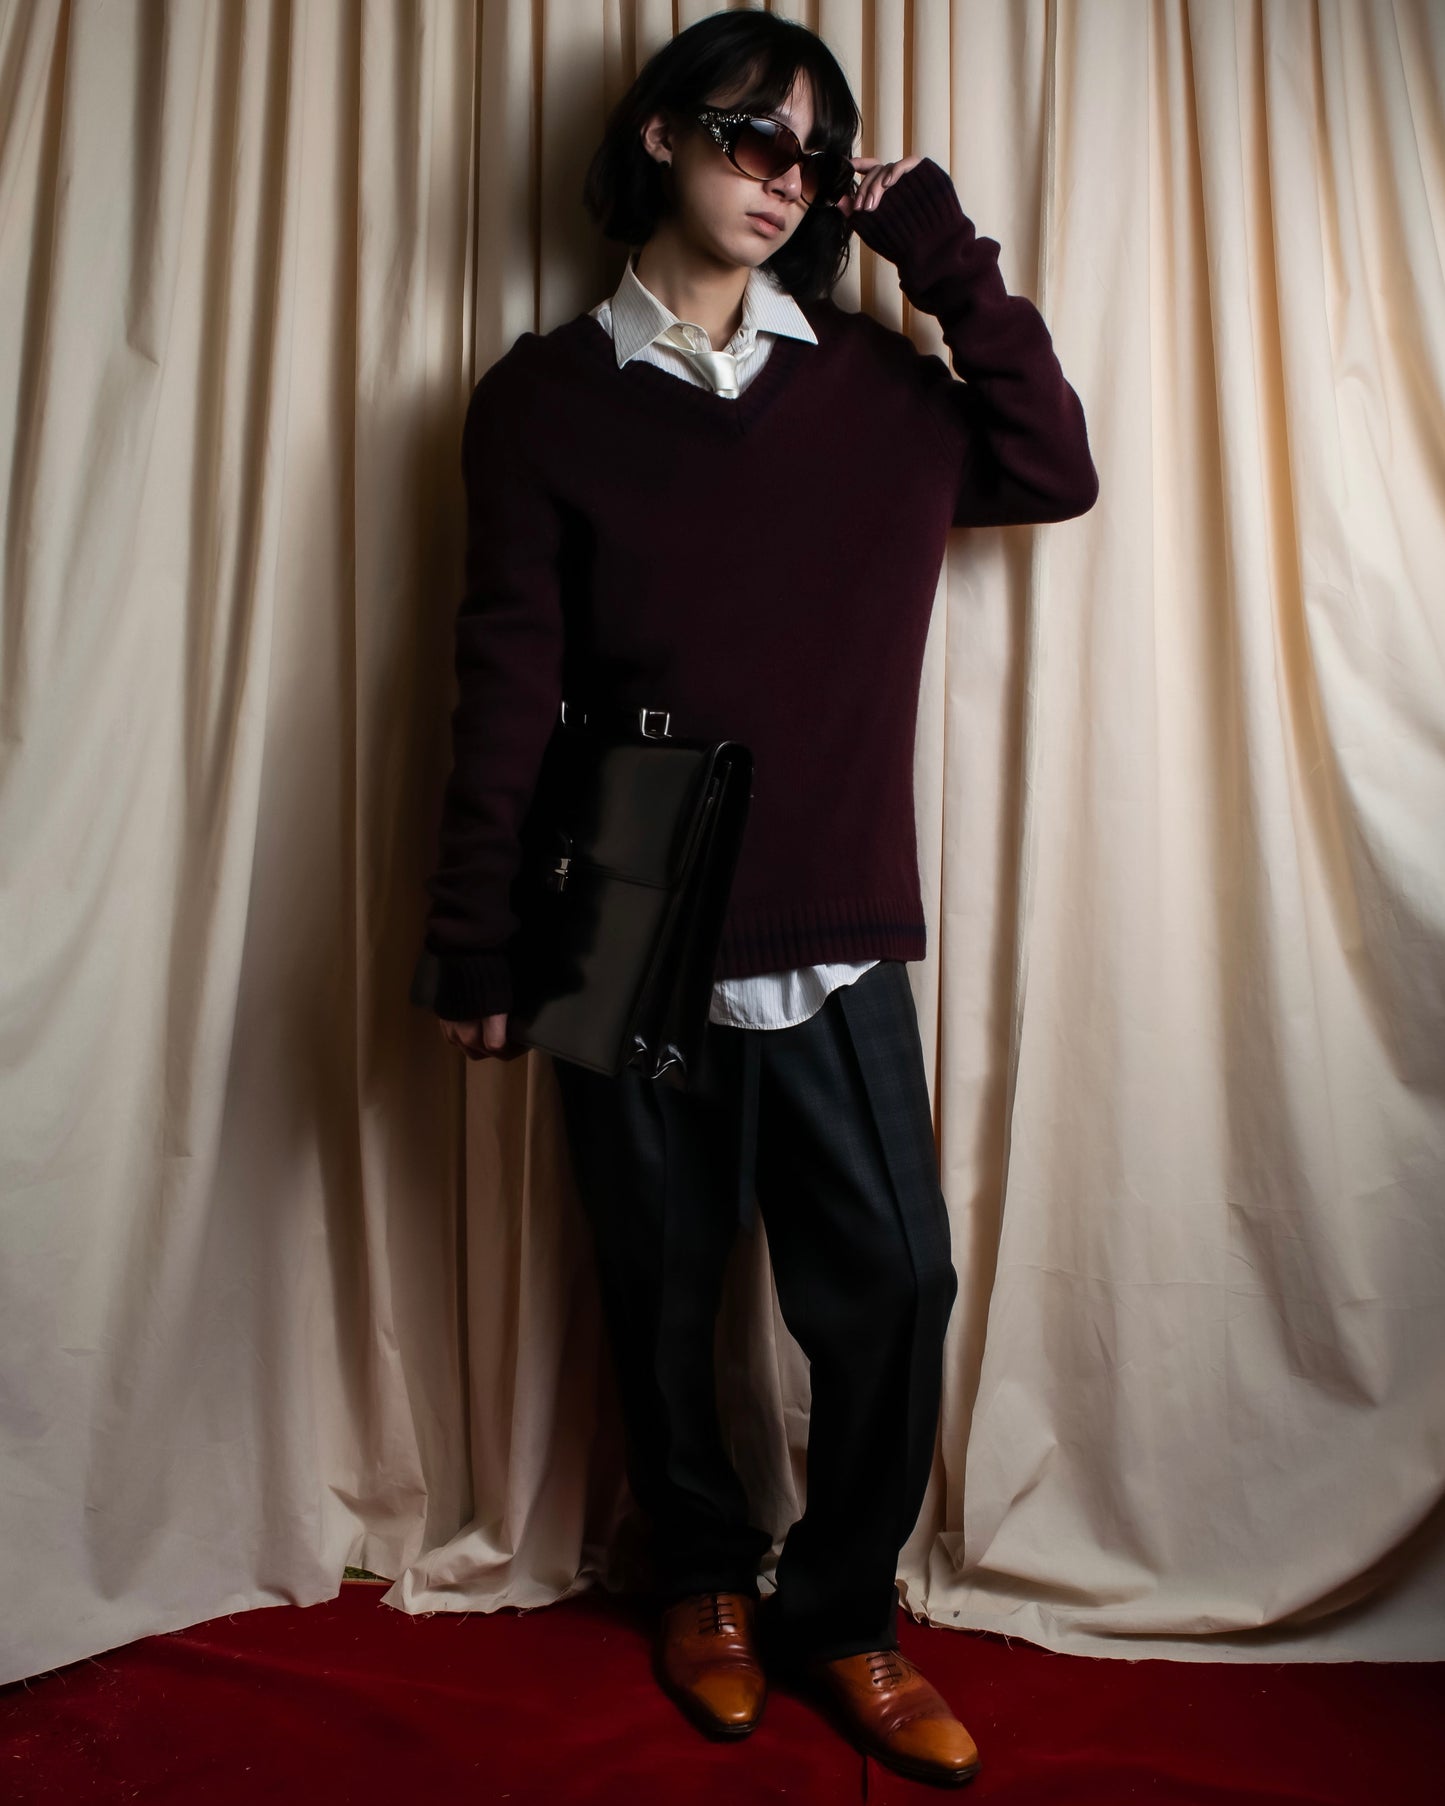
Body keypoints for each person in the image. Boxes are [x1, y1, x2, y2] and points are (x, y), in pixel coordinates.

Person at [411, 9, 1097, 1789]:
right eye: (750, 137)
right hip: (614, 914)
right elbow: (504, 682)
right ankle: (701, 1577)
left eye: (815, 156)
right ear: (659, 134)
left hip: (828, 921)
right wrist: (476, 937)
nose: (784, 179)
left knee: (896, 1285)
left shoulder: (877, 392)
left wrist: (932, 244)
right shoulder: (541, 399)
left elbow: (1052, 463)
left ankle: (842, 1609)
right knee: (654, 1288)